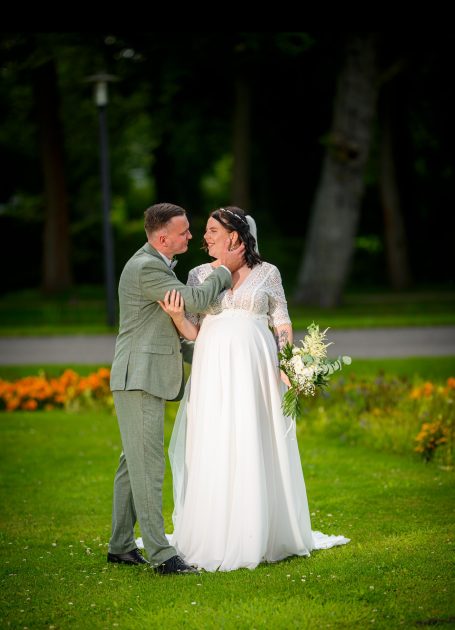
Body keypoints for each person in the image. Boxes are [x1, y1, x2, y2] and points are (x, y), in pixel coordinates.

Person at [157, 206, 350, 572]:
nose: (205, 236)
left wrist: (289, 362)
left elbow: (281, 321)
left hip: (255, 370)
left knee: (254, 436)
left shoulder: (267, 273)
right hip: (213, 367)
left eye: (212, 230)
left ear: (234, 235)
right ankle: (214, 530)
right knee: (215, 438)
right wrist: (179, 317)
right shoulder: (199, 274)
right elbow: (195, 332)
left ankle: (260, 529)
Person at [107, 202, 245, 575]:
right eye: (184, 232)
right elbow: (197, 300)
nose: (191, 236)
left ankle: (120, 546)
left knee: (131, 464)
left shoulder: (156, 263)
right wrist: (224, 270)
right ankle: (162, 555)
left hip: (144, 375)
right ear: (163, 237)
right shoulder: (146, 266)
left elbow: (169, 322)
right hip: (139, 378)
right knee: (148, 467)